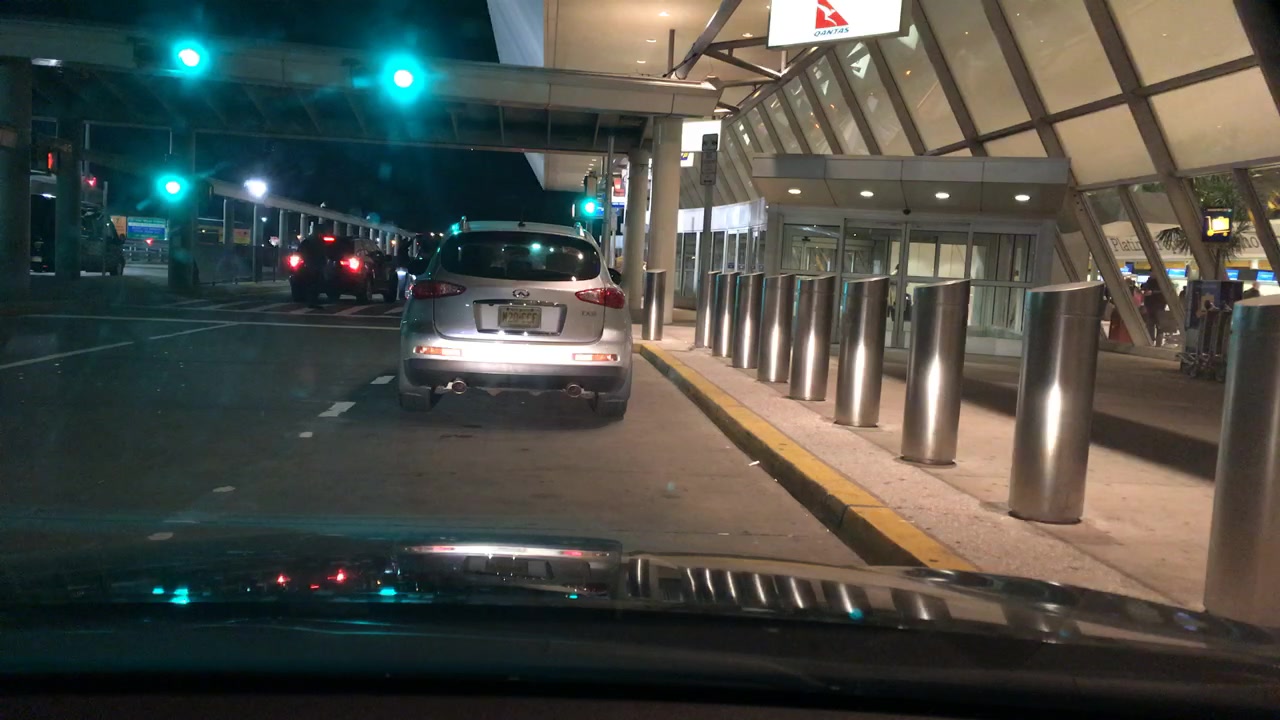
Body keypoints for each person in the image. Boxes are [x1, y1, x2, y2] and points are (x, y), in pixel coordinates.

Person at [1140, 275, 1164, 343]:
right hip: (1154, 306)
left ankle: (1154, 340)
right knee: (1153, 324)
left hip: (1155, 306)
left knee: (1154, 324)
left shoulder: (1159, 282)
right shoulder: (1150, 281)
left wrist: (1152, 292)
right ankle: (1154, 340)